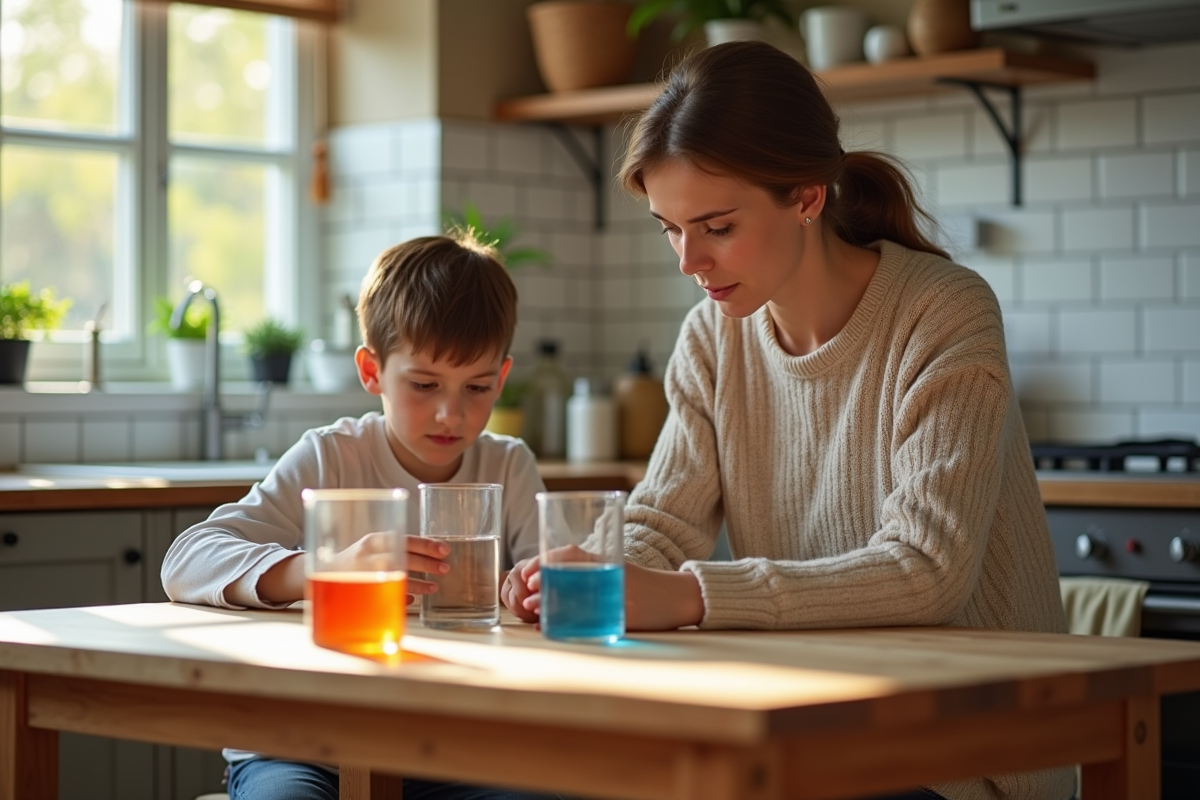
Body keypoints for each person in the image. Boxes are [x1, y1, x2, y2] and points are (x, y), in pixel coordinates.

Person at [502, 41, 1073, 800]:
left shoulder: (943, 310)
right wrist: (584, 570)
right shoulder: (712, 337)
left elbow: (926, 569)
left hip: (970, 751)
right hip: (812, 720)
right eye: (669, 229)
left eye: (715, 226)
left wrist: (691, 596)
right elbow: (664, 529)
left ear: (806, 197)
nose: (688, 262)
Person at [162, 233, 554, 800]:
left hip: (452, 744)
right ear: (372, 372)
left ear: (504, 375)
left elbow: (553, 579)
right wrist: (324, 570)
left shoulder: (508, 465)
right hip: (300, 741)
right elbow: (187, 559)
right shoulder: (329, 456)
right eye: (423, 385)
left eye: (478, 386)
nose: (452, 412)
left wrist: (535, 588)